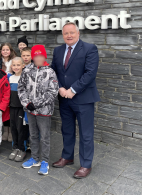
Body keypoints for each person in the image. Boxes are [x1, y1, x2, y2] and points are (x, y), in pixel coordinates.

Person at [50, 22, 100, 179]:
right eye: (66, 33)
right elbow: (53, 71)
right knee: (67, 129)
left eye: (72, 32)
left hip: (83, 98)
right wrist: (59, 88)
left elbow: (90, 73)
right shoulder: (58, 50)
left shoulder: (90, 49)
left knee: (86, 133)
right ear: (62, 35)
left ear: (78, 34)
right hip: (64, 98)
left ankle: (86, 164)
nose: (69, 36)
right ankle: (67, 156)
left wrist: (73, 90)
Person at [18, 45, 59, 175]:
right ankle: (35, 158)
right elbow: (21, 88)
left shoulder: (50, 71)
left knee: (45, 137)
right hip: (30, 110)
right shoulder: (27, 70)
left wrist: (35, 103)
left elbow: (52, 92)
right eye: (35, 56)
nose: (38, 58)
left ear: (44, 56)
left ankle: (44, 161)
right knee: (33, 135)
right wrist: (27, 103)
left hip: (44, 111)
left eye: (40, 55)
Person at [7, 57, 27, 162]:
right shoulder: (10, 78)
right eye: (14, 65)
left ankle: (22, 149)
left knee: (21, 129)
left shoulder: (25, 78)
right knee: (13, 128)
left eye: (18, 65)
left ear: (23, 65)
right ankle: (15, 148)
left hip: (21, 108)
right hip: (12, 107)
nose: (16, 67)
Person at [0, 43, 16, 142]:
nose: (5, 51)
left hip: (12, 87)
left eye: (7, 49)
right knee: (4, 109)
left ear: (10, 50)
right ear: (1, 51)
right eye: (3, 49)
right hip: (2, 88)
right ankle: (5, 130)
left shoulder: (14, 60)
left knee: (11, 110)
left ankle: (11, 131)